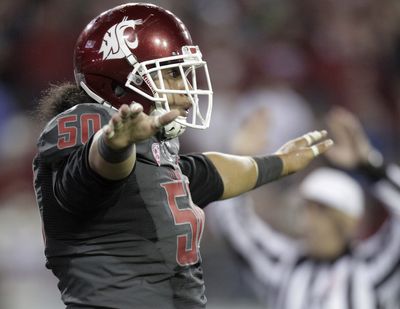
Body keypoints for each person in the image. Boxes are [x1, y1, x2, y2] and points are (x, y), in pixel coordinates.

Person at [32, 3, 333, 309]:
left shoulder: (151, 153)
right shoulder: (89, 123)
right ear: (121, 84)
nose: (187, 92)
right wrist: (114, 145)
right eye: (173, 74)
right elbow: (85, 181)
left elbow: (202, 175)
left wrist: (279, 162)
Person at [212, 107, 400, 309]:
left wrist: (369, 165)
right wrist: (240, 161)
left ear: (346, 220)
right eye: (307, 208)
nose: (310, 219)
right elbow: (233, 225)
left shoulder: (371, 268)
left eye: (321, 210)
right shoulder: (282, 267)